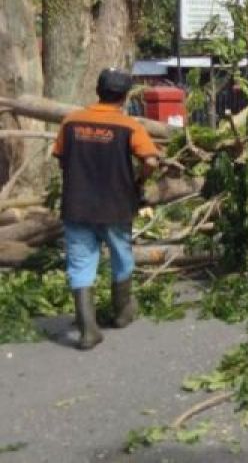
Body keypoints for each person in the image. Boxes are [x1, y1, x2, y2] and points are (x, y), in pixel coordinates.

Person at [53, 69, 160, 350]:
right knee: (121, 257)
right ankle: (122, 311)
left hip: (77, 204)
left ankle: (88, 329)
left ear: (97, 90)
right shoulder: (129, 126)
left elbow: (61, 158)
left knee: (80, 264)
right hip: (116, 203)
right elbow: (150, 160)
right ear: (124, 97)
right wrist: (139, 179)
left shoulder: (71, 121)